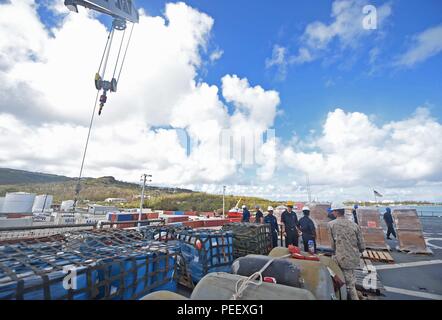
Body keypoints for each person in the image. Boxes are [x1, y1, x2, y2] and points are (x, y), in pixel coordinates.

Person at [328, 202, 365, 300]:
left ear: (336, 212)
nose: (332, 213)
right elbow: (362, 245)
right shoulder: (354, 225)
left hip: (342, 258)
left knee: (349, 285)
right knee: (351, 277)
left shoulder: (331, 225)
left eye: (333, 211)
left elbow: (332, 245)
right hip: (354, 257)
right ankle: (357, 294)